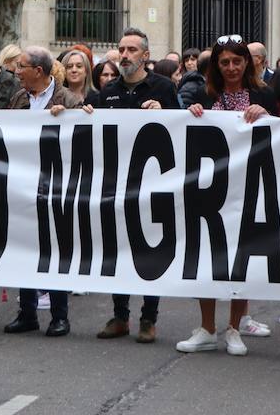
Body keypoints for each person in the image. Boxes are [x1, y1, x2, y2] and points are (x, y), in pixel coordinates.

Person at [177, 34, 280, 357]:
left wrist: (268, 115)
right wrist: (191, 113)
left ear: (248, 62)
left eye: (237, 61)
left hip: (249, 188)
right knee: (207, 258)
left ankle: (234, 328)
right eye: (225, 62)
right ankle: (207, 328)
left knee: (241, 260)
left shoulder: (265, 93)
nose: (232, 67)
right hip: (209, 189)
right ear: (216, 66)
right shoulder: (204, 94)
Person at [93, 28, 178, 344]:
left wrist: (165, 113)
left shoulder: (164, 87)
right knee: (118, 250)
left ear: (145, 55)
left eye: (131, 49)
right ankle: (120, 316)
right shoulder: (108, 91)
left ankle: (149, 318)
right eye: (121, 49)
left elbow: (180, 130)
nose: (124, 55)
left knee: (150, 250)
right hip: (118, 183)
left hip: (153, 184)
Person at [2, 46, 90, 338]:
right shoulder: (18, 98)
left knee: (55, 249)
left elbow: (84, 138)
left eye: (21, 66)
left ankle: (59, 316)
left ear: (38, 71)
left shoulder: (69, 99)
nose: (16, 71)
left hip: (56, 184)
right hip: (23, 183)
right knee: (25, 247)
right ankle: (27, 313)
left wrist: (75, 116)